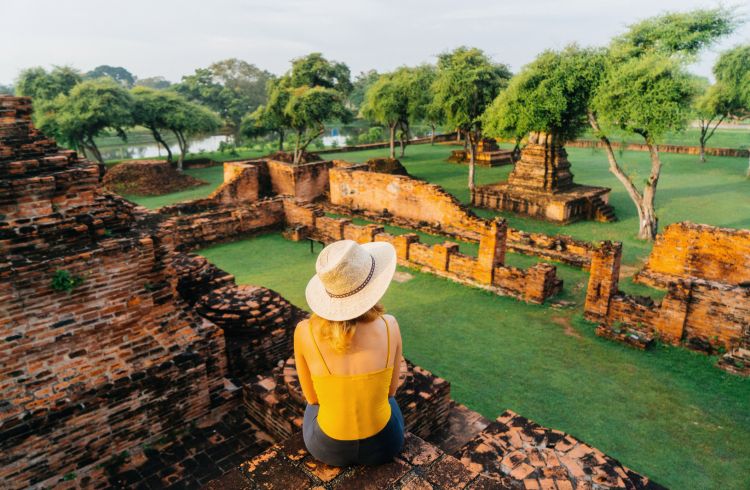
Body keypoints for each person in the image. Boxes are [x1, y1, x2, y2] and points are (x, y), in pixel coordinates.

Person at [294, 239, 405, 467]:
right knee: (389, 401)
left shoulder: (304, 332)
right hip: (384, 444)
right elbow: (391, 391)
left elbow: (312, 398)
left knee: (313, 407)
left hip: (328, 449)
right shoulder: (389, 325)